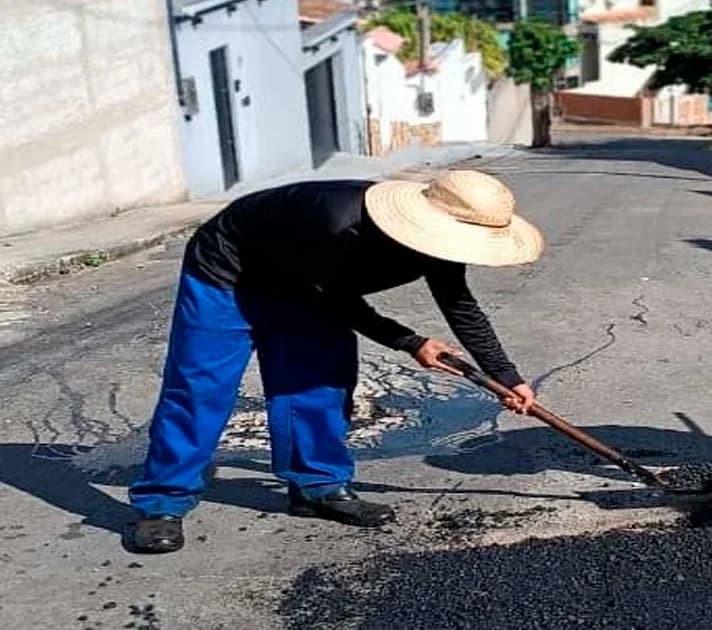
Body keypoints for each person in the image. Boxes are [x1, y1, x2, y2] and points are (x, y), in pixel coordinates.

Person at [128, 170, 544, 553]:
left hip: (307, 282)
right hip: (228, 271)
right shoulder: (336, 221)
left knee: (320, 382)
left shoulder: (441, 243)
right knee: (201, 389)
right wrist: (410, 342)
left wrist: (507, 377)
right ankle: (163, 501)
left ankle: (317, 487)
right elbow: (334, 298)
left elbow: (459, 305)